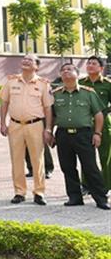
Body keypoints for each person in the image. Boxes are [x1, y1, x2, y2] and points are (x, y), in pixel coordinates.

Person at [49, 63, 109, 210]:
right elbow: (51, 115)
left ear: (77, 73)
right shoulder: (55, 94)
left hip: (83, 134)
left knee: (90, 167)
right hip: (63, 135)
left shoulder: (88, 93)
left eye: (69, 69)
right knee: (67, 167)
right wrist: (49, 131)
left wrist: (97, 133)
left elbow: (98, 114)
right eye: (63, 70)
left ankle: (101, 199)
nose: (66, 72)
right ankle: (74, 197)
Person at [0, 54, 53, 205]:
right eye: (24, 59)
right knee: (16, 159)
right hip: (15, 125)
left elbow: (48, 108)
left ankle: (39, 192)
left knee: (38, 160)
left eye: (30, 60)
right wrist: (3, 123)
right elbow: (4, 103)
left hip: (35, 125)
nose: (26, 61)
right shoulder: (11, 81)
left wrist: (48, 128)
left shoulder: (43, 84)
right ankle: (19, 192)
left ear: (37, 66)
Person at [82, 56, 111, 190]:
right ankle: (86, 184)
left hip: (104, 124)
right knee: (86, 155)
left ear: (101, 68)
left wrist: (104, 111)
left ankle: (105, 185)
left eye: (94, 63)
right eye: (88, 63)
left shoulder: (107, 84)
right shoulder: (81, 83)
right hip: (85, 123)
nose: (90, 65)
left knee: (105, 155)